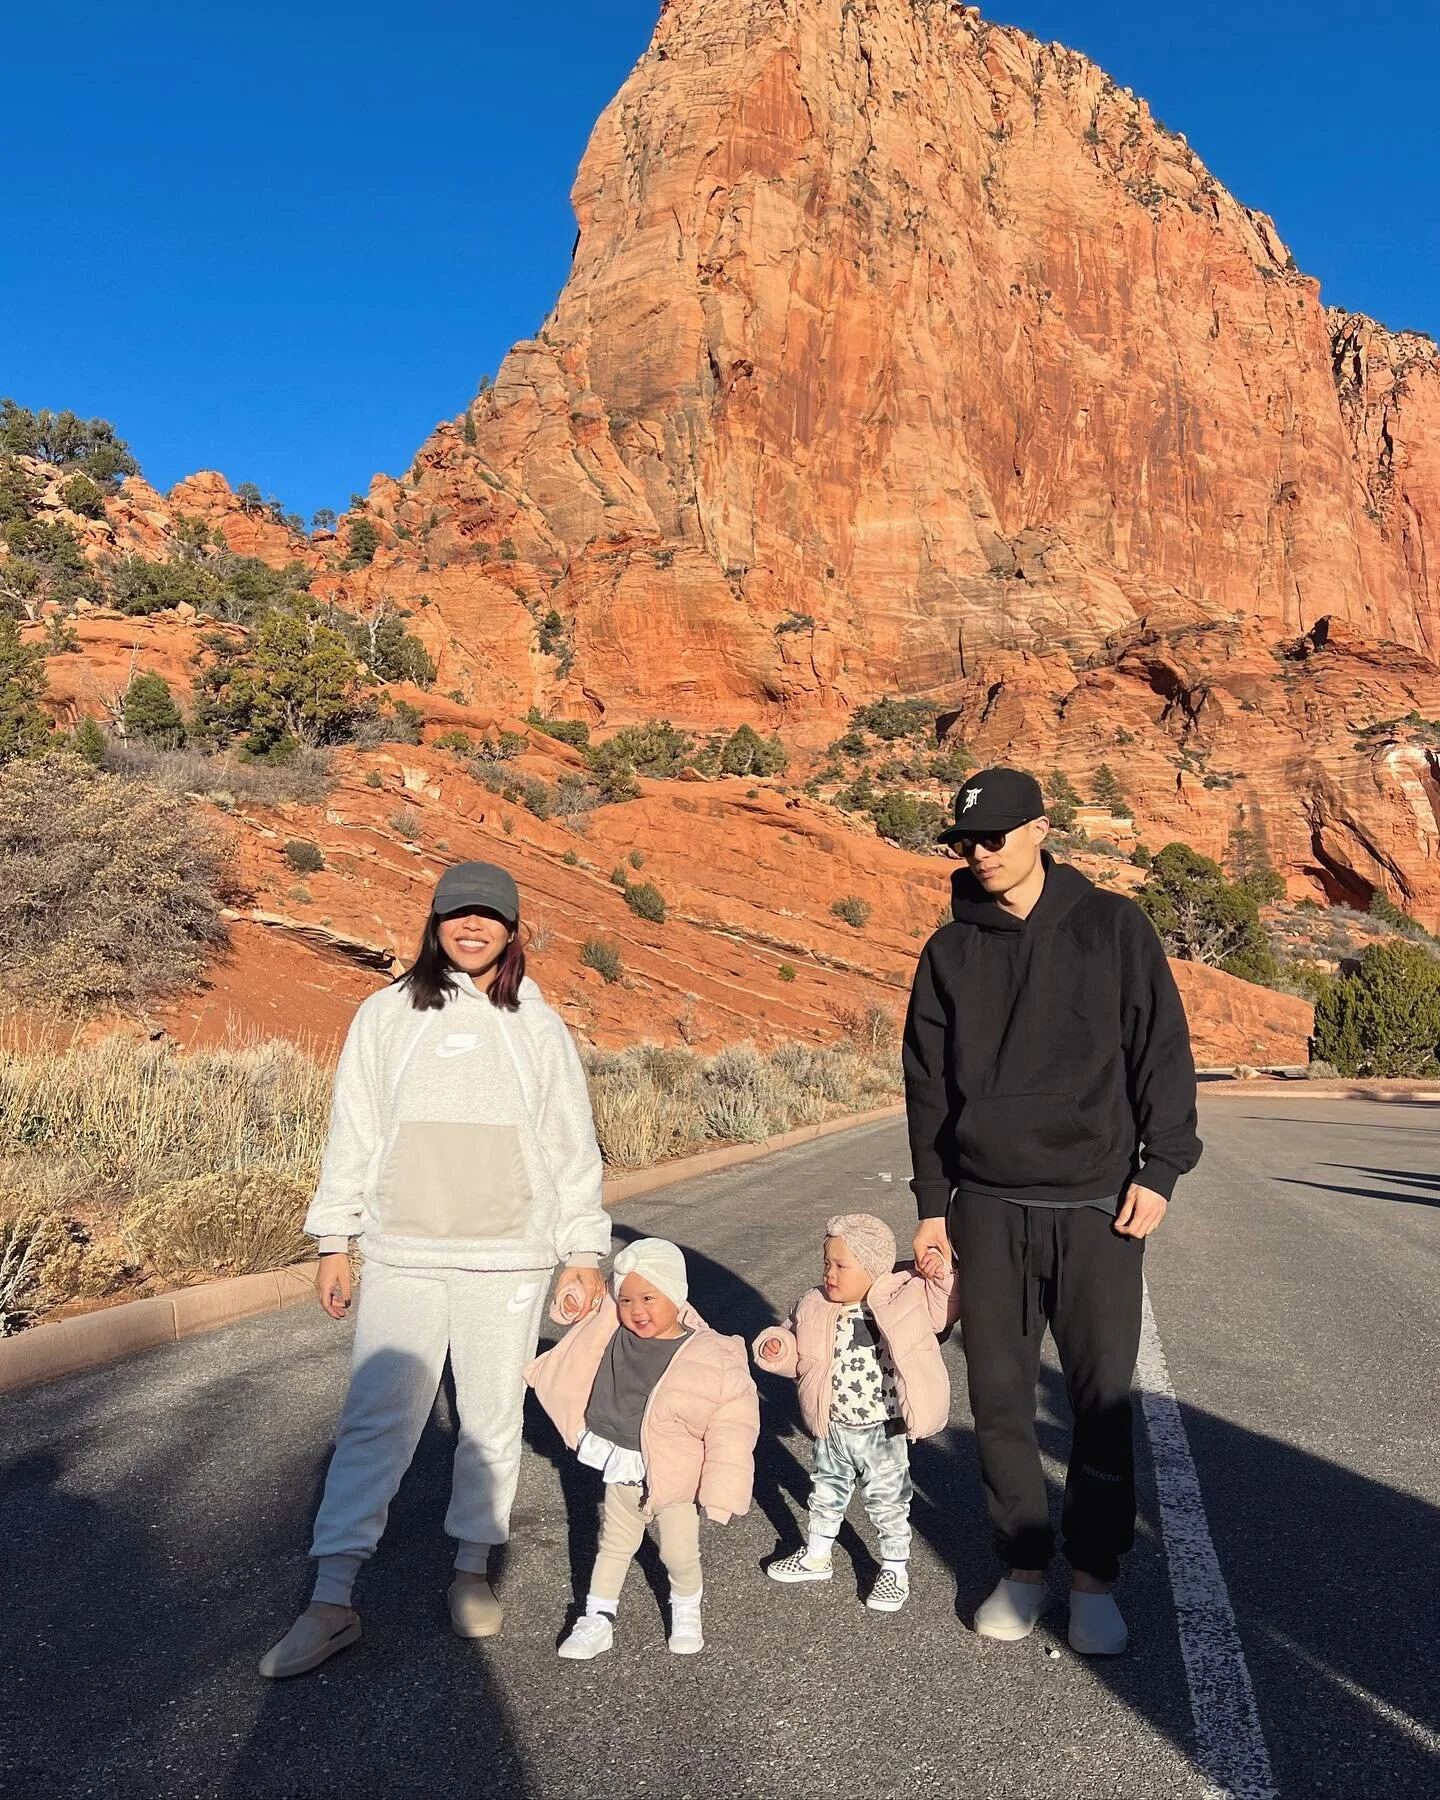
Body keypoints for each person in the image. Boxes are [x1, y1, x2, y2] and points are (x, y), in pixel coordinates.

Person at [258, 860, 609, 1679]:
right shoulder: (385, 1014)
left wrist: (583, 1251)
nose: (472, 926)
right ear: (435, 923)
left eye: (490, 915)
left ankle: (470, 1572)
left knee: (490, 1421)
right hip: (403, 1250)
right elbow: (354, 1130)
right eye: (458, 914)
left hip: (510, 1255)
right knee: (378, 1422)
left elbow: (570, 1145)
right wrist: (333, 1240)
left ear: (513, 928)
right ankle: (332, 1599)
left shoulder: (538, 1026)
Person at [904, 768, 1201, 1656]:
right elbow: (927, 1091)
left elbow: (1162, 1051)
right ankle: (1024, 1569)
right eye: (964, 840)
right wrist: (930, 1205)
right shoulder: (948, 951)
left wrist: (1164, 1166)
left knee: (1098, 1402)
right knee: (996, 1399)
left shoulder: (1113, 927)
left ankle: (1095, 1579)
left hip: (1096, 1209)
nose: (978, 853)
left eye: (994, 835)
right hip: (988, 1210)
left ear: (1041, 827)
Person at [525, 1237, 758, 1660]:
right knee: (615, 1542)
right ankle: (598, 1617)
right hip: (623, 1460)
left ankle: (686, 1607)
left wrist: (722, 1491)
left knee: (677, 1550)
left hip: (674, 1473)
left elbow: (733, 1427)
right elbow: (579, 1307)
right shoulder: (614, 1325)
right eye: (627, 1299)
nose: (636, 1310)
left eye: (649, 1297)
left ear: (676, 1294)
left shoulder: (709, 1354)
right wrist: (577, 1295)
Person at [752, 1213, 958, 1613]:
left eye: (841, 1265)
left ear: (873, 1266)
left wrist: (939, 1275)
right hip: (832, 1423)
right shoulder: (814, 1303)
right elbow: (794, 1344)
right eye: (826, 1263)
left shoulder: (906, 1295)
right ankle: (816, 1556)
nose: (830, 1273)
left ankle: (894, 1568)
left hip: (884, 1426)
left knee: (887, 1500)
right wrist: (775, 1347)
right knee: (826, 1491)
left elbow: (942, 1310)